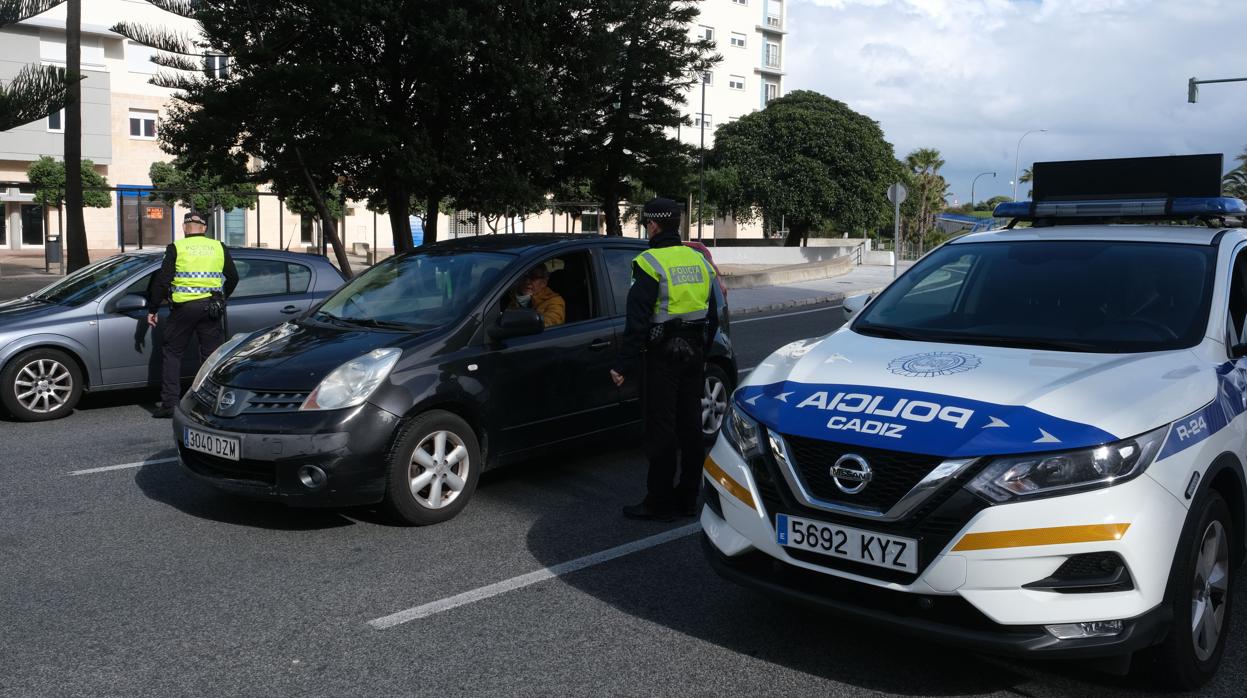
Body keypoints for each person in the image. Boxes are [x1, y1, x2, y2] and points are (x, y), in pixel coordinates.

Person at [610, 198, 719, 521]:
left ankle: (659, 502)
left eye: (646, 224)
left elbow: (638, 321)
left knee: (661, 430)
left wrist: (623, 364)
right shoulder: (698, 260)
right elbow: (712, 316)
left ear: (654, 225)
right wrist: (701, 350)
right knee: (691, 428)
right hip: (693, 353)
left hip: (662, 357)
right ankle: (687, 499)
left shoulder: (648, 262)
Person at [147, 211, 239, 418]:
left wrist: (153, 309)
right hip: (211, 308)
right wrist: (221, 297)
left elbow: (163, 280)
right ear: (204, 228)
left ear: (184, 228)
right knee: (210, 356)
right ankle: (210, 402)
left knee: (172, 353)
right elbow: (233, 277)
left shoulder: (177, 247)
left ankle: (170, 404)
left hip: (184, 309)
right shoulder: (218, 247)